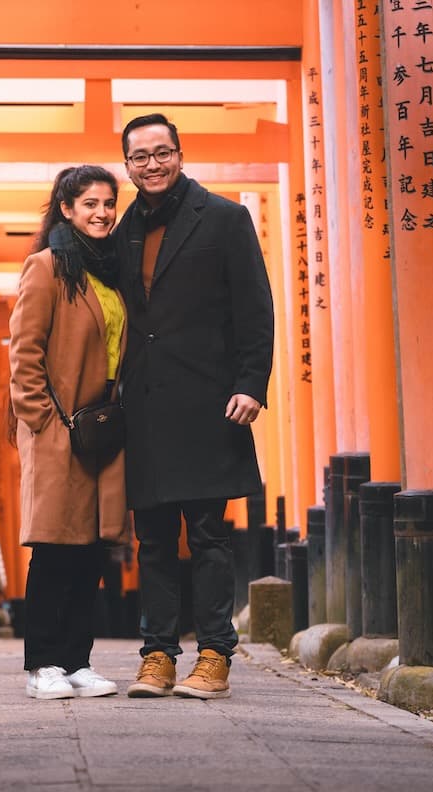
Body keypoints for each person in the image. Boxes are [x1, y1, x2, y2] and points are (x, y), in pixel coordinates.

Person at [113, 114, 274, 700]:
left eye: (162, 153)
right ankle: (156, 655)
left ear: (180, 154)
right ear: (126, 164)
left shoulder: (225, 219)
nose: (152, 164)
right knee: (151, 538)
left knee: (207, 534)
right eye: (140, 156)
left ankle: (214, 655)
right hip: (146, 407)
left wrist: (251, 383)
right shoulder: (120, 227)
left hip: (210, 401)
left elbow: (256, 307)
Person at [8, 165, 129, 700]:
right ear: (66, 208)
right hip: (60, 428)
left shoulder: (113, 273)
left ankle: (78, 661)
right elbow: (25, 352)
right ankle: (43, 664)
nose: (101, 213)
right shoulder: (47, 267)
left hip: (105, 430)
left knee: (94, 549)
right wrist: (43, 421)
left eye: (108, 203)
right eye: (89, 204)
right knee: (55, 547)